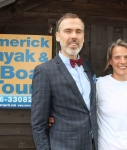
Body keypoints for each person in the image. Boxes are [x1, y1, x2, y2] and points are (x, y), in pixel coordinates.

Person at [31, 13, 98, 150]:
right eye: (68, 31)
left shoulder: (87, 67)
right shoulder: (44, 71)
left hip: (90, 145)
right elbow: (38, 124)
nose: (74, 36)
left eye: (78, 31)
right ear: (57, 36)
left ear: (83, 37)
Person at [97, 39, 127, 150]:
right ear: (110, 61)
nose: (122, 62)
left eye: (126, 57)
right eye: (117, 58)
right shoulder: (98, 84)